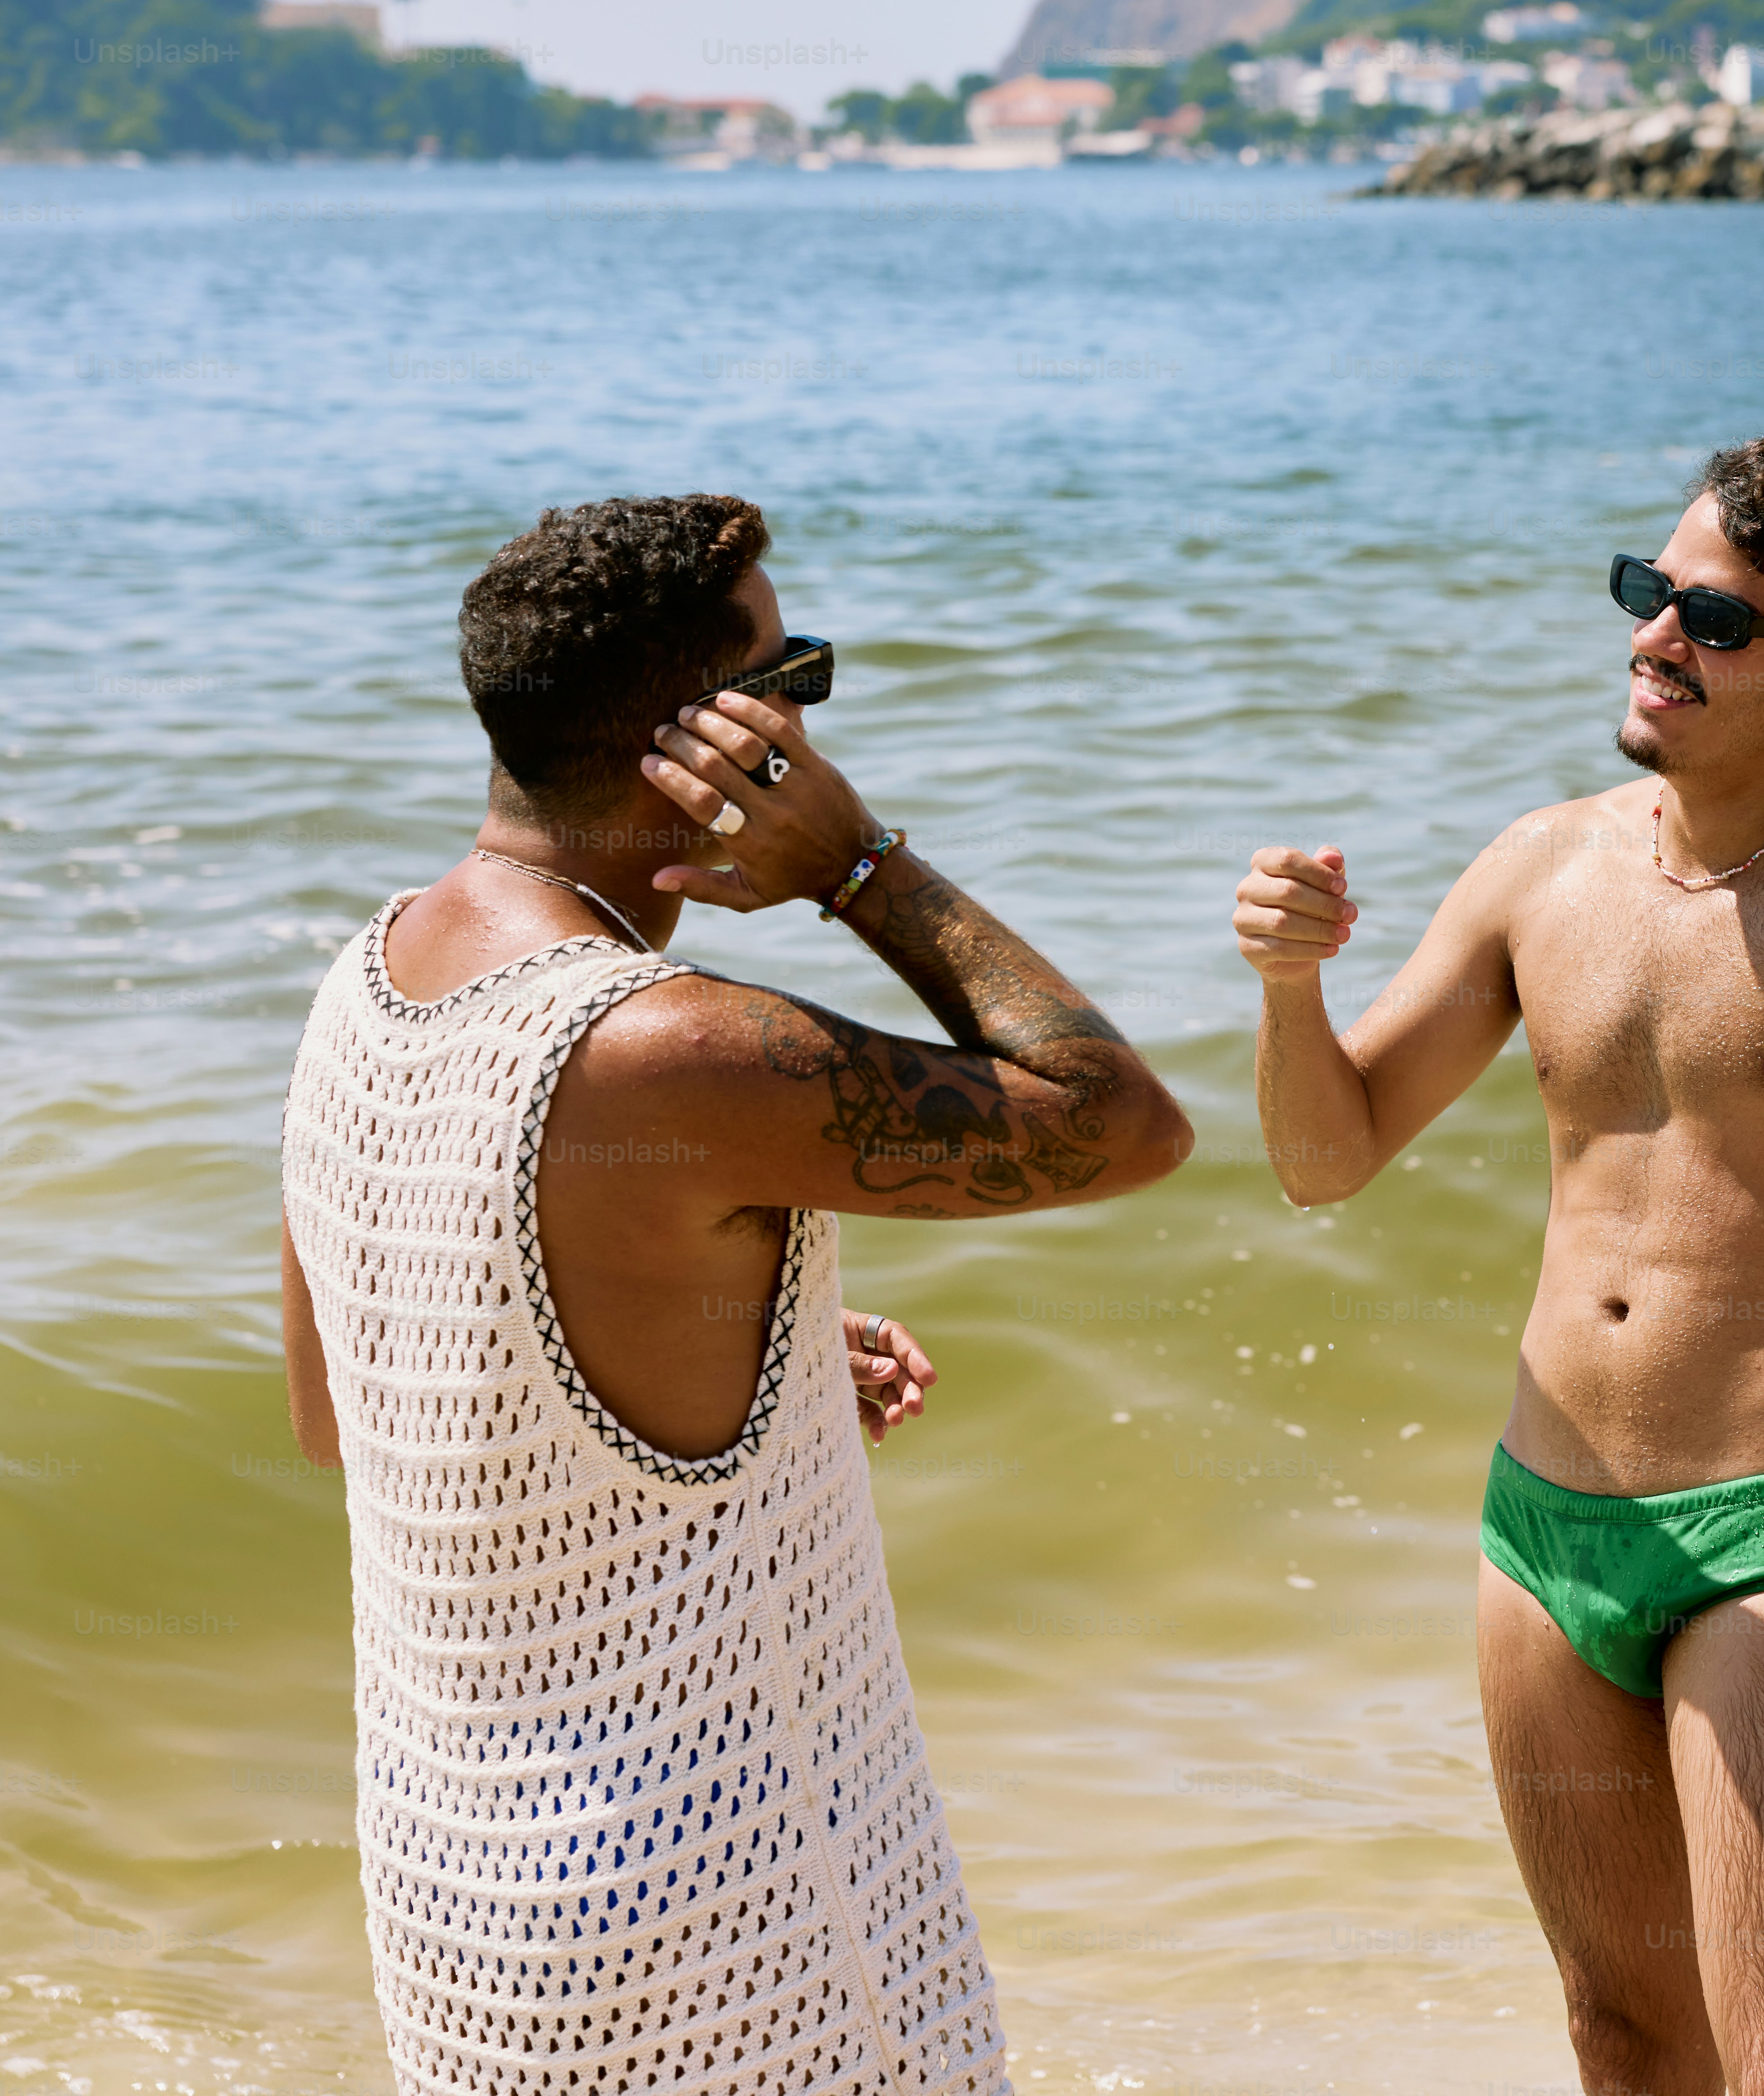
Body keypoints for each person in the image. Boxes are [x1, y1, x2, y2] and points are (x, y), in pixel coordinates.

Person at [278, 494, 1191, 2096]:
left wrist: (711, 1361)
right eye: (796, 681)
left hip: (457, 1906)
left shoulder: (364, 984)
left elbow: (352, 1412)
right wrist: (855, 863)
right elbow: (1120, 1123)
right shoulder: (661, 1042)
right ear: (698, 746)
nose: (811, 715)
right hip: (735, 1907)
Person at [1229, 441, 1764, 2094]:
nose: (1654, 638)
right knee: (1623, 2039)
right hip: (1542, 1531)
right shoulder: (1549, 861)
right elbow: (1327, 1156)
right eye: (1647, 593)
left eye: (1713, 620)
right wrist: (1283, 987)